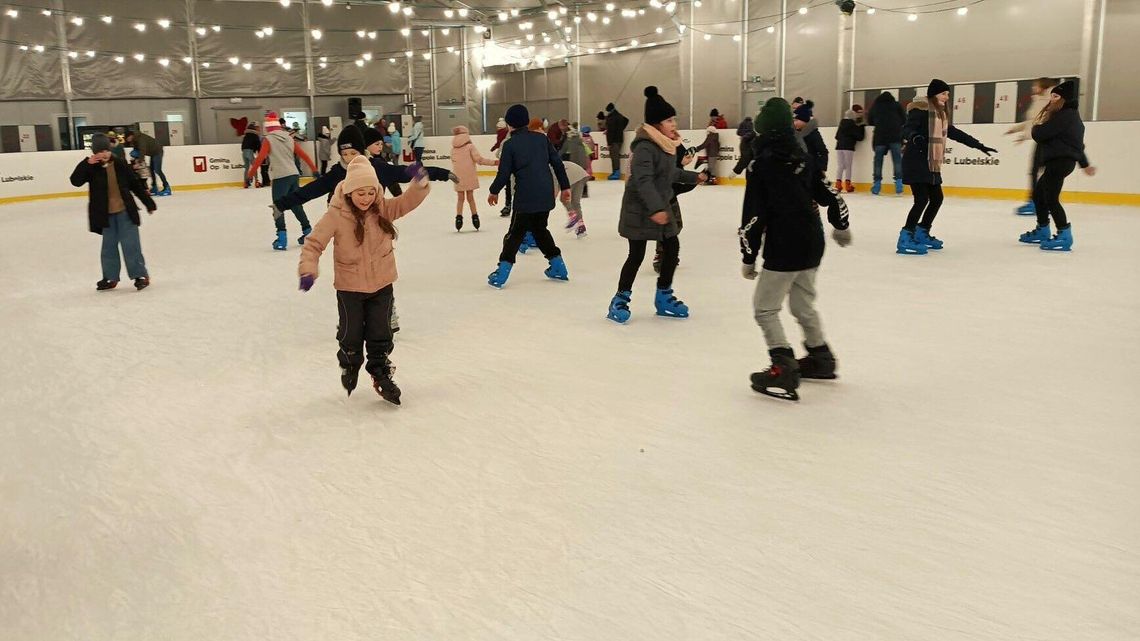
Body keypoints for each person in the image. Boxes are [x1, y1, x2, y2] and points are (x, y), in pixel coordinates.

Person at [740, 98, 852, 402]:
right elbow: (830, 193)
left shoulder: (762, 164)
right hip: (812, 244)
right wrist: (840, 225)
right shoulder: (802, 154)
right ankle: (820, 357)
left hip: (784, 247)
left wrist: (748, 258)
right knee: (803, 304)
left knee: (765, 308)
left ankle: (783, 367)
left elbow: (753, 216)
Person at [298, 156, 431, 405]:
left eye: (371, 191)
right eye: (361, 192)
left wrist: (420, 182)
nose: (367, 197)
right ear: (349, 192)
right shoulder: (336, 215)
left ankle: (380, 373)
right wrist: (308, 269)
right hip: (350, 288)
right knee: (351, 335)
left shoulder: (382, 209)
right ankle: (349, 363)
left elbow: (408, 201)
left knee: (381, 334)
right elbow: (314, 244)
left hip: (382, 284)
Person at [606, 86, 706, 324]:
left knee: (672, 247)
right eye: (669, 120)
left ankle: (663, 296)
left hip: (659, 207)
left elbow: (671, 174)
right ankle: (619, 299)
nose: (674, 124)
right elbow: (643, 181)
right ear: (656, 124)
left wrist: (695, 177)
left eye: (674, 119)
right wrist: (656, 209)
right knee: (636, 255)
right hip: (640, 210)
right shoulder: (644, 147)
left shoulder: (667, 146)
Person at [897, 79, 997, 254]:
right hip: (917, 161)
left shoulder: (940, 116)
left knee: (937, 199)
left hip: (931, 163)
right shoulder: (920, 112)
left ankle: (922, 232)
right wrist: (915, 137)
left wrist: (979, 145)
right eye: (943, 93)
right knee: (921, 200)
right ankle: (905, 237)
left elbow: (955, 133)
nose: (947, 97)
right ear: (934, 94)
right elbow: (905, 129)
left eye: (948, 94)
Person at [486, 103, 572, 289]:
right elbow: (558, 163)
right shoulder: (541, 139)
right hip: (545, 195)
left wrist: (494, 191)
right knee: (540, 230)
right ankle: (558, 266)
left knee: (514, 234)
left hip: (526, 197)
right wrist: (565, 186)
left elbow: (504, 173)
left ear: (509, 124)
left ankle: (501, 272)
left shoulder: (510, 145)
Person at [70, 133, 157, 291]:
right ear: (94, 152)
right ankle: (110, 277)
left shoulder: (120, 164)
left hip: (125, 212)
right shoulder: (91, 167)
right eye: (100, 151)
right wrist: (87, 164)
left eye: (106, 150)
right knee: (108, 247)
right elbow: (75, 181)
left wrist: (148, 202)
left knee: (131, 245)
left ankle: (140, 275)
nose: (104, 154)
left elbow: (135, 184)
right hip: (106, 215)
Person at [1018, 80, 1095, 252]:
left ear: (1064, 99)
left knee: (1051, 198)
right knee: (1039, 194)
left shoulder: (1065, 116)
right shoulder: (1069, 116)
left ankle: (1064, 235)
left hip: (1060, 162)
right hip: (1060, 161)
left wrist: (1037, 127)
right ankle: (1043, 229)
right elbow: (1077, 145)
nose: (1051, 99)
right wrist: (1084, 164)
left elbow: (1040, 133)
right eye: (1051, 95)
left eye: (1055, 96)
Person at [247, 111, 318, 250]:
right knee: (295, 204)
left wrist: (250, 174)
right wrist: (314, 169)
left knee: (278, 207)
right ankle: (308, 232)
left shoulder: (269, 140)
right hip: (293, 174)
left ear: (268, 127)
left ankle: (281, 238)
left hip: (280, 176)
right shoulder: (289, 138)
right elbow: (303, 154)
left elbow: (260, 158)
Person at [1006, 77, 1057, 215]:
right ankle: (1040, 201)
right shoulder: (1040, 100)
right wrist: (1017, 130)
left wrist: (1024, 135)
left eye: (1036, 85)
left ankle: (1036, 202)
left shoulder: (1047, 101)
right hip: (1042, 140)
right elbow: (1032, 122)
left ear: (1043, 86)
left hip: (1047, 141)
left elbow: (1039, 122)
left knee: (1037, 172)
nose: (1033, 88)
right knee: (1038, 172)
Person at [450, 125, 499, 232]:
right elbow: (479, 160)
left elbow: (453, 162)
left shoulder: (453, 148)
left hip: (457, 176)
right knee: (470, 198)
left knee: (460, 198)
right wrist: (494, 162)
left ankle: (458, 219)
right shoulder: (470, 147)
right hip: (469, 175)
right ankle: (475, 217)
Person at [867, 91, 906, 195]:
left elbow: (869, 120)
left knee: (878, 161)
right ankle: (899, 184)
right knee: (897, 160)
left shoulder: (876, 106)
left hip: (880, 136)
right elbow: (904, 119)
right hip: (895, 136)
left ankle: (877, 185)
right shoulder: (897, 105)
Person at [124, 130, 170, 196]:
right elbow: (137, 150)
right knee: (151, 170)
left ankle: (167, 187)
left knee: (157, 170)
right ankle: (154, 187)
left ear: (131, 136)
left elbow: (142, 150)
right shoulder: (135, 140)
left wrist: (139, 162)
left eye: (127, 138)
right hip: (153, 153)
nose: (127, 140)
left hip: (157, 151)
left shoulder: (140, 139)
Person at [834, 105, 866, 193]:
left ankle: (838, 184)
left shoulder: (842, 124)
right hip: (848, 147)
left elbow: (836, 136)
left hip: (839, 146)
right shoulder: (853, 125)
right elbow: (859, 137)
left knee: (840, 166)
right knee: (848, 166)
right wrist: (862, 127)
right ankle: (848, 185)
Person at [793, 100, 827, 175]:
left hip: (811, 171)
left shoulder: (813, 134)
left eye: (796, 120)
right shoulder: (796, 134)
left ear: (804, 120)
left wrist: (821, 169)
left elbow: (823, 151)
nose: (794, 123)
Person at [490, 117, 513, 216]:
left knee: (509, 186)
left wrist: (494, 191)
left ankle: (508, 205)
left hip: (509, 166)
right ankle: (510, 205)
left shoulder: (505, 140)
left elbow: (500, 148)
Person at [604, 102, 630, 180]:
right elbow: (626, 120)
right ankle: (615, 172)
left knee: (614, 156)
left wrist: (609, 143)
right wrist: (621, 129)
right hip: (620, 138)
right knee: (615, 156)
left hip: (614, 140)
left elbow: (611, 131)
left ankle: (616, 173)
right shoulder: (619, 115)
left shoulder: (611, 118)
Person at [241, 122, 263, 187]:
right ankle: (257, 181)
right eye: (257, 127)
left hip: (244, 152)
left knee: (247, 168)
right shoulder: (255, 135)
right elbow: (258, 145)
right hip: (250, 151)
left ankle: (245, 183)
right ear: (255, 128)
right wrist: (259, 153)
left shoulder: (246, 135)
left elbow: (243, 145)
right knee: (254, 167)